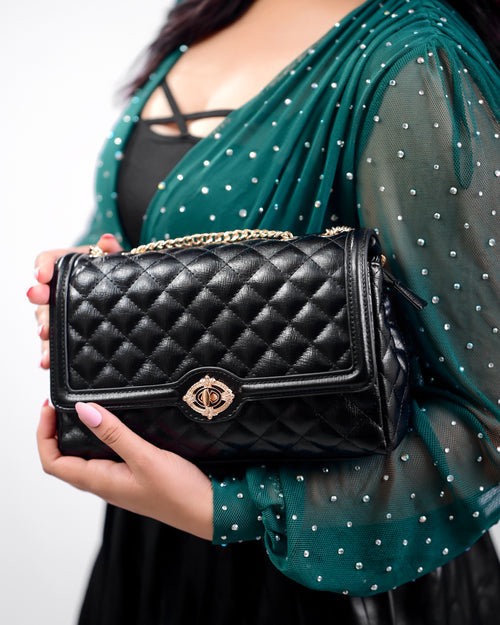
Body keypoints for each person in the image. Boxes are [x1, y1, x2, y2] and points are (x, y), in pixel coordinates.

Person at [27, 0, 500, 622]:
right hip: (148, 547)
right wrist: (92, 286)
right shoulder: (205, 14)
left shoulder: (414, 55)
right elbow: (147, 231)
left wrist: (233, 510)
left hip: (337, 578)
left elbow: (491, 411)